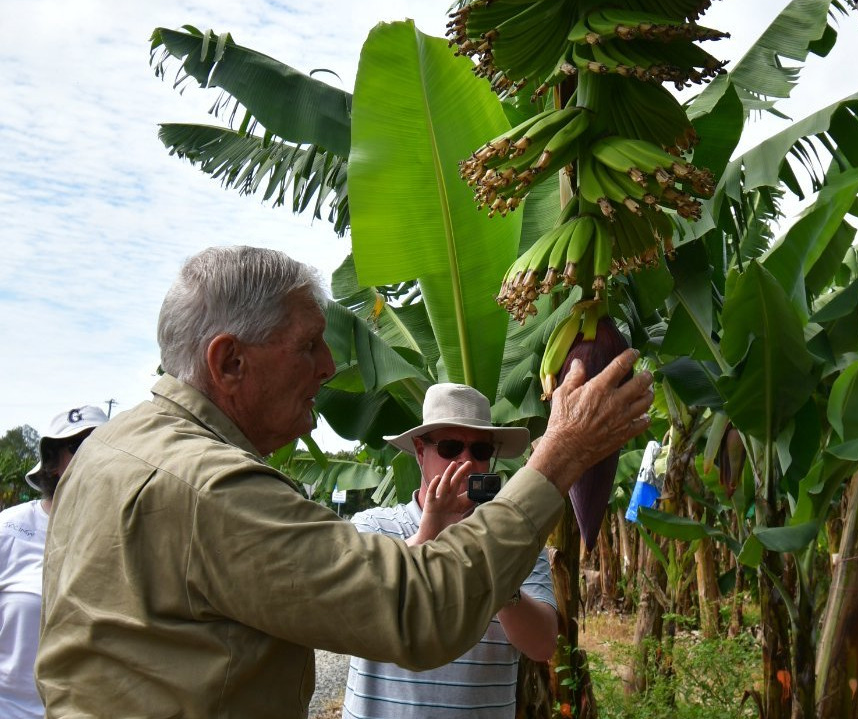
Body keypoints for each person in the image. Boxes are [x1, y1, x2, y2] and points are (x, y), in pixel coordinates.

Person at [38, 245, 652, 719]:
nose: (330, 366)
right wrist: (560, 454)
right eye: (308, 346)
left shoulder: (108, 449)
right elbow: (418, 608)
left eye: (481, 449)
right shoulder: (210, 489)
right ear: (229, 361)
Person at [343, 383, 558, 719]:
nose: (466, 461)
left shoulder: (518, 539)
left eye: (480, 450)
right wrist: (432, 530)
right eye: (451, 446)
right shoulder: (374, 526)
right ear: (419, 450)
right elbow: (356, 608)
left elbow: (543, 644)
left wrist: (497, 567)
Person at [0, 405, 107, 719]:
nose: (93, 455)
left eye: (101, 444)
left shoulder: (124, 532)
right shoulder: (10, 529)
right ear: (53, 462)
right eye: (78, 446)